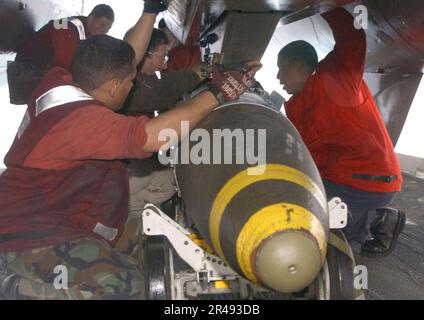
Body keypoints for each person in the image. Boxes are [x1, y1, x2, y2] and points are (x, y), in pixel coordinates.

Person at [0, 1, 262, 300]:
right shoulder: (85, 123)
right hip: (29, 233)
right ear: (112, 86)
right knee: (128, 290)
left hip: (57, 214)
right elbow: (153, 137)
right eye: (130, 81)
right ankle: (19, 290)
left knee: (153, 241)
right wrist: (219, 92)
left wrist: (151, 10)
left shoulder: (63, 82)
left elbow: (127, 56)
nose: (134, 84)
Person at [276, 7, 405, 257]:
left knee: (332, 239)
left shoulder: (336, 78)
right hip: (336, 179)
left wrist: (321, 5)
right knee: (295, 202)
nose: (278, 76)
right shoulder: (295, 106)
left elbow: (352, 36)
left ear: (301, 66)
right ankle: (372, 218)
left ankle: (376, 223)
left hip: (368, 181)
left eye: (282, 69)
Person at [8, 4, 115, 104]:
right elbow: (63, 64)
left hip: (40, 76)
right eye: (102, 24)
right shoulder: (70, 27)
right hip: (28, 71)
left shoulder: (83, 33)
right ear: (91, 18)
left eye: (108, 28)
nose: (104, 30)